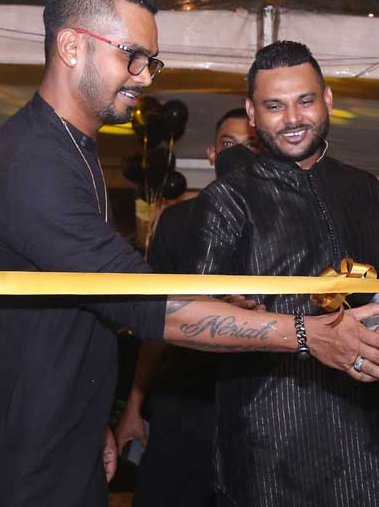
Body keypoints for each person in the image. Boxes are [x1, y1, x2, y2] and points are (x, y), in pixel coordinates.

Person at [0, 0, 379, 507]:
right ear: (72, 47)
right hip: (11, 460)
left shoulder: (73, 150)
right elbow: (144, 303)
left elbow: (82, 308)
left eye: (150, 61)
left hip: (58, 442)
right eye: (132, 56)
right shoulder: (32, 162)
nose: (144, 77)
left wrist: (89, 422)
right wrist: (308, 334)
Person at [188, 40, 379, 507]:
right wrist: (232, 310)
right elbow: (193, 319)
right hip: (268, 445)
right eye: (275, 106)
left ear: (328, 99)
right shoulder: (227, 200)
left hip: (370, 444)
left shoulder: (366, 190)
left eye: (305, 101)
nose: (292, 118)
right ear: (252, 114)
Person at [114, 108, 260, 507]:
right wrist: (134, 406)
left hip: (255, 400)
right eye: (229, 144)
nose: (238, 154)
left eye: (251, 145)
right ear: (212, 153)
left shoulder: (284, 221)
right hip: (184, 397)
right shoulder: (178, 220)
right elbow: (157, 319)